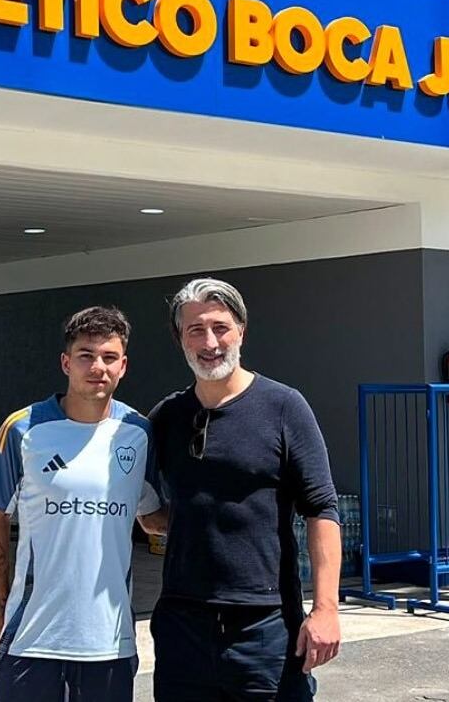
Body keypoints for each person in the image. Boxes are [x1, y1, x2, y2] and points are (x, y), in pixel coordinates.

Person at [147, 277, 342, 701]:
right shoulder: (166, 417)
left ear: (242, 331)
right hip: (182, 626)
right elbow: (144, 502)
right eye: (195, 330)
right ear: (180, 339)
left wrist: (326, 608)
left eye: (220, 327)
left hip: (266, 627)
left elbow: (322, 509)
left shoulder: (284, 407)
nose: (210, 341)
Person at [0, 306, 162, 702]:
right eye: (86, 356)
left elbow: (151, 518)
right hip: (31, 639)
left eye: (109, 357)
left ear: (123, 366)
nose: (98, 367)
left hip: (110, 643)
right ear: (66, 362)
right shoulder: (24, 429)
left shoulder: (138, 433)